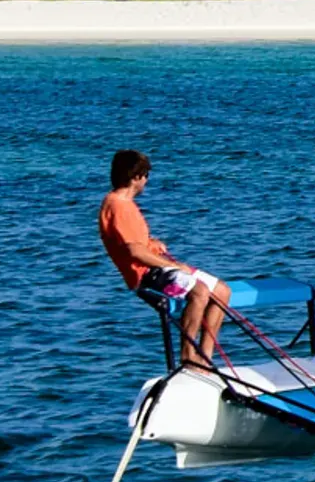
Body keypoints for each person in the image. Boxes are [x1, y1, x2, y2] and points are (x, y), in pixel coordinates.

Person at [98, 150, 231, 367]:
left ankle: (205, 358)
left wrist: (152, 243)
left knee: (223, 291)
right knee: (199, 292)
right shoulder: (119, 206)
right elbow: (134, 252)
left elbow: (134, 241)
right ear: (137, 177)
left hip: (155, 265)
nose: (146, 181)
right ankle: (188, 358)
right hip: (146, 274)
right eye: (146, 175)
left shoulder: (122, 203)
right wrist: (173, 265)